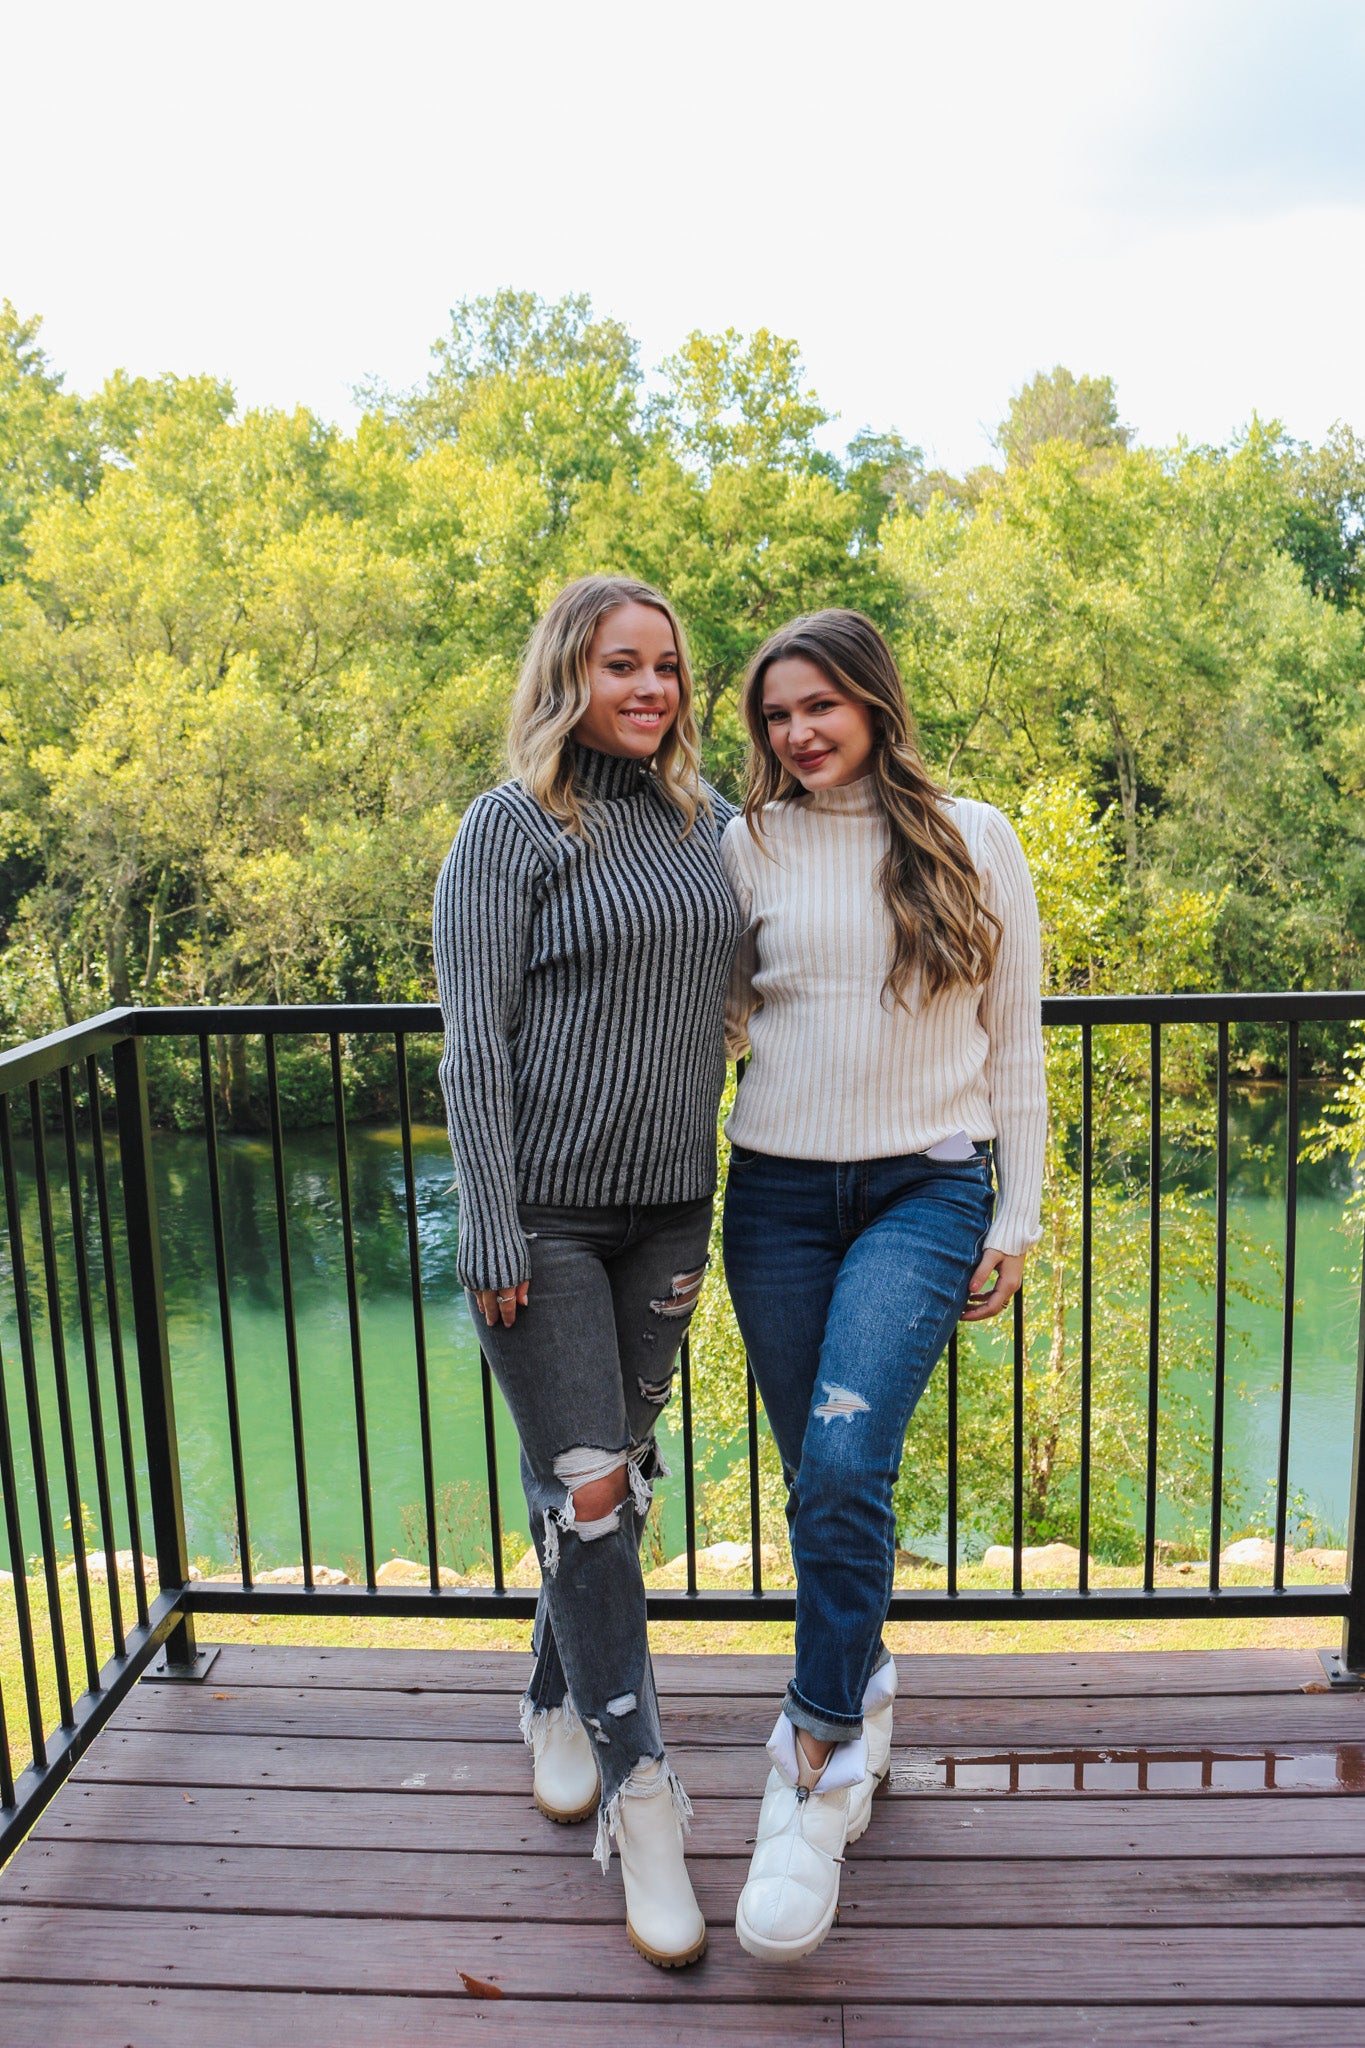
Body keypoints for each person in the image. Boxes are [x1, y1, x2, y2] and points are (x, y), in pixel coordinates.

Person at [720, 608, 1046, 1963]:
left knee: (849, 1462)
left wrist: (1016, 1217)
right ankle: (861, 1676)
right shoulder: (743, 844)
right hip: (775, 1199)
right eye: (776, 714)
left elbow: (1014, 1040)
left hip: (925, 1190)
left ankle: (812, 1765)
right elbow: (713, 1020)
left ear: (871, 701)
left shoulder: (975, 837)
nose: (798, 732)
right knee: (819, 1477)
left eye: (820, 704)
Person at [433, 575, 739, 1968]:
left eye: (667, 667)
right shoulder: (508, 831)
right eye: (623, 665)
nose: (651, 689)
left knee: (609, 1474)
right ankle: (646, 1804)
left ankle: (557, 1699)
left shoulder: (705, 824)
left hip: (672, 1212)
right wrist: (491, 1224)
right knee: (593, 1489)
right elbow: (472, 1043)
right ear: (569, 674)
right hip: (544, 1223)